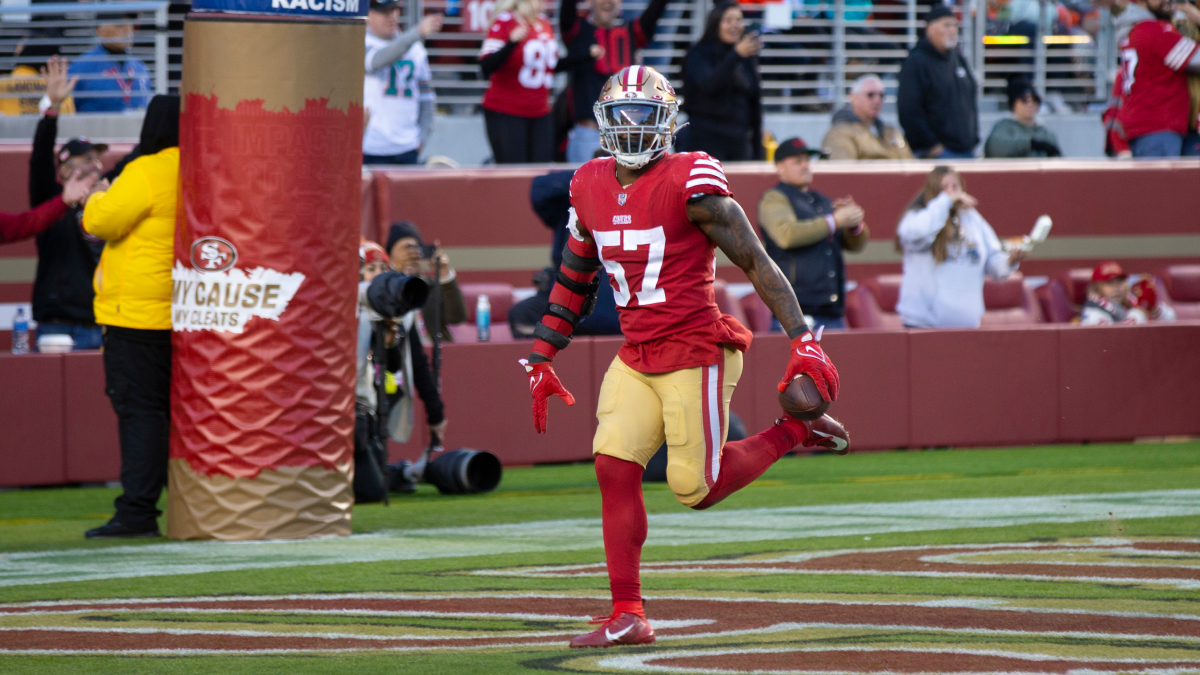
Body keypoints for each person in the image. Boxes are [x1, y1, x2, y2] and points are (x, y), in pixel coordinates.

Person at [518, 66, 850, 649]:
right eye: (620, 114)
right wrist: (542, 354)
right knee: (612, 467)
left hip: (696, 347)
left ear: (667, 122)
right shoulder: (588, 182)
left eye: (644, 114)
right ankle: (628, 614)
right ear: (602, 120)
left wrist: (802, 337)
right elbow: (575, 274)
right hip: (637, 352)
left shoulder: (691, 181)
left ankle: (797, 432)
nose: (630, 125)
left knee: (696, 489)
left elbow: (755, 260)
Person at [80, 95, 180, 539]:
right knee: (173, 415)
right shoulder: (209, 166)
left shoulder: (147, 170)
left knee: (141, 413)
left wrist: (98, 196)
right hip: (187, 313)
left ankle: (138, 510)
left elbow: (100, 222)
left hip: (136, 316)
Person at [30, 57, 109, 350]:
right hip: (57, 325)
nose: (97, 165)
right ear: (64, 169)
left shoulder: (109, 200)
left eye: (98, 160)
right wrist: (51, 111)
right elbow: (39, 161)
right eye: (87, 159)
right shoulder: (50, 200)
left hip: (99, 323)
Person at [757, 138, 870, 331]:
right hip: (795, 312)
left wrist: (853, 225)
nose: (805, 166)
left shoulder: (820, 200)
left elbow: (854, 245)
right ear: (779, 167)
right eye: (797, 161)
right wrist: (835, 221)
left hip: (832, 311)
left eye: (807, 161)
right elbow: (786, 235)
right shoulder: (774, 198)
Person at [895, 166, 1028, 329]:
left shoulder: (973, 219)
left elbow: (993, 262)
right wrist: (944, 202)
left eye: (955, 186)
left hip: (966, 328)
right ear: (932, 191)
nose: (951, 192)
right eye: (943, 188)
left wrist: (1010, 261)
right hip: (924, 327)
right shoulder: (919, 217)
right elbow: (917, 233)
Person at [509, 167, 620, 337]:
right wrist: (591, 177)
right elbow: (539, 189)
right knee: (523, 314)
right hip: (566, 298)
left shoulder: (630, 201)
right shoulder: (572, 198)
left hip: (611, 302)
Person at [558, 0, 670, 163]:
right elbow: (567, 12)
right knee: (583, 188)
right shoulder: (578, 31)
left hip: (625, 135)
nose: (608, 2)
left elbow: (653, 14)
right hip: (588, 132)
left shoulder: (630, 33)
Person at [678, 2, 763, 161]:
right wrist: (736, 55)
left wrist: (758, 150)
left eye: (738, 20)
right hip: (705, 140)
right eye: (728, 20)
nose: (735, 25)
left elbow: (755, 104)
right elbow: (710, 84)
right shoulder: (698, 53)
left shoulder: (747, 57)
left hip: (739, 142)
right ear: (716, 23)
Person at [1113, 0, 1200, 157]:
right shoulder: (1153, 29)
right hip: (1159, 127)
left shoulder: (1135, 30)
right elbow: (1197, 60)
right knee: (1161, 182)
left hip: (1144, 126)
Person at [363, 0, 443, 165]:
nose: (392, 17)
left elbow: (427, 97)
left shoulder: (415, 49)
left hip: (407, 147)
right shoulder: (361, 43)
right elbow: (376, 61)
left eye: (394, 10)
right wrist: (417, 32)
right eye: (384, 12)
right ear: (368, 16)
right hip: (372, 146)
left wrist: (421, 138)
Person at [479, 0, 559, 163]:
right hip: (507, 111)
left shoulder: (544, 22)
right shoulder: (506, 21)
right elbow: (486, 66)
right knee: (514, 178)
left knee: (540, 176)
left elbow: (549, 66)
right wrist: (511, 43)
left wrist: (585, 57)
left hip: (540, 111)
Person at [897, 6, 979, 159]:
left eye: (955, 25)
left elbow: (971, 101)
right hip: (937, 154)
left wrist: (973, 138)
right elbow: (909, 110)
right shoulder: (916, 62)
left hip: (966, 150)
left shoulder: (958, 58)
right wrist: (932, 146)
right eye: (946, 25)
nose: (953, 30)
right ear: (930, 28)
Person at [385, 221, 467, 341]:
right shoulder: (384, 287)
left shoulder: (430, 287)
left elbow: (457, 317)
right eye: (405, 249)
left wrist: (444, 275)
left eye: (415, 248)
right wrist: (401, 277)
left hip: (434, 351)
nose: (412, 254)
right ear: (390, 255)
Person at [68, 13, 151, 113]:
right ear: (100, 30)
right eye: (120, 25)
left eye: (130, 24)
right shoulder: (81, 68)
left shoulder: (140, 68)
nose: (128, 29)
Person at [821, 74, 913, 160]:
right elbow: (842, 172)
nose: (877, 100)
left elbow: (911, 163)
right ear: (853, 97)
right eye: (870, 95)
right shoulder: (839, 134)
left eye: (881, 95)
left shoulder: (890, 132)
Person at [984, 78, 1062, 158]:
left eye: (1035, 99)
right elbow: (995, 149)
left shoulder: (1045, 133)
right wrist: (1031, 144)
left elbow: (1058, 159)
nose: (1030, 104)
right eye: (1024, 99)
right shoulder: (1003, 127)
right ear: (1013, 103)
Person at [1079, 261, 1177, 324]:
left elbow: (1172, 319)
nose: (1116, 288)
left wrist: (1153, 308)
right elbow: (1116, 338)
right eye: (1110, 283)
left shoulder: (1131, 300)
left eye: (1119, 282)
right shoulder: (1092, 311)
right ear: (1098, 288)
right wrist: (1141, 311)